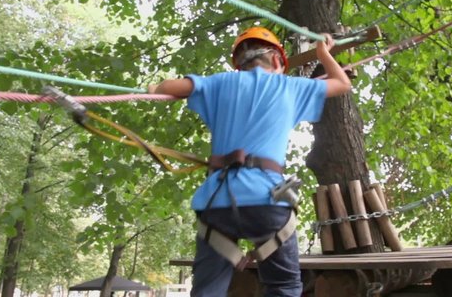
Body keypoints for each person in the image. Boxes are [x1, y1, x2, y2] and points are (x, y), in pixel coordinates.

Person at [148, 26, 351, 297]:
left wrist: (154, 87)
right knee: (284, 286)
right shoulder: (291, 87)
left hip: (216, 203)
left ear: (239, 65)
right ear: (278, 61)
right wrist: (323, 53)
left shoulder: (218, 83)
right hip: (267, 202)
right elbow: (342, 83)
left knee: (207, 290)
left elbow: (170, 88)